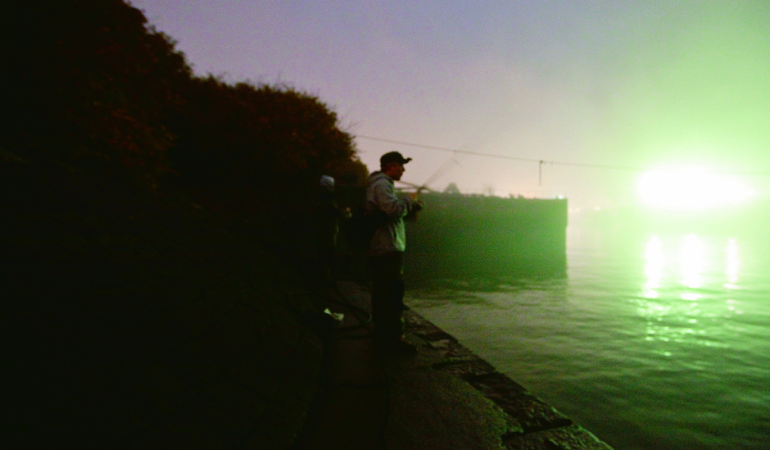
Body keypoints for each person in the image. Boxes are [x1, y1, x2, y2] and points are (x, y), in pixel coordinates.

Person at [366, 151, 423, 353]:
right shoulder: (381, 185)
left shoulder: (382, 185)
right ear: (391, 166)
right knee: (392, 295)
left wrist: (410, 207)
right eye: (401, 165)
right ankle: (393, 340)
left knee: (384, 294)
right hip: (386, 249)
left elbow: (390, 213)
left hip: (385, 248)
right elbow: (393, 209)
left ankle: (384, 336)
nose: (404, 169)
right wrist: (409, 201)